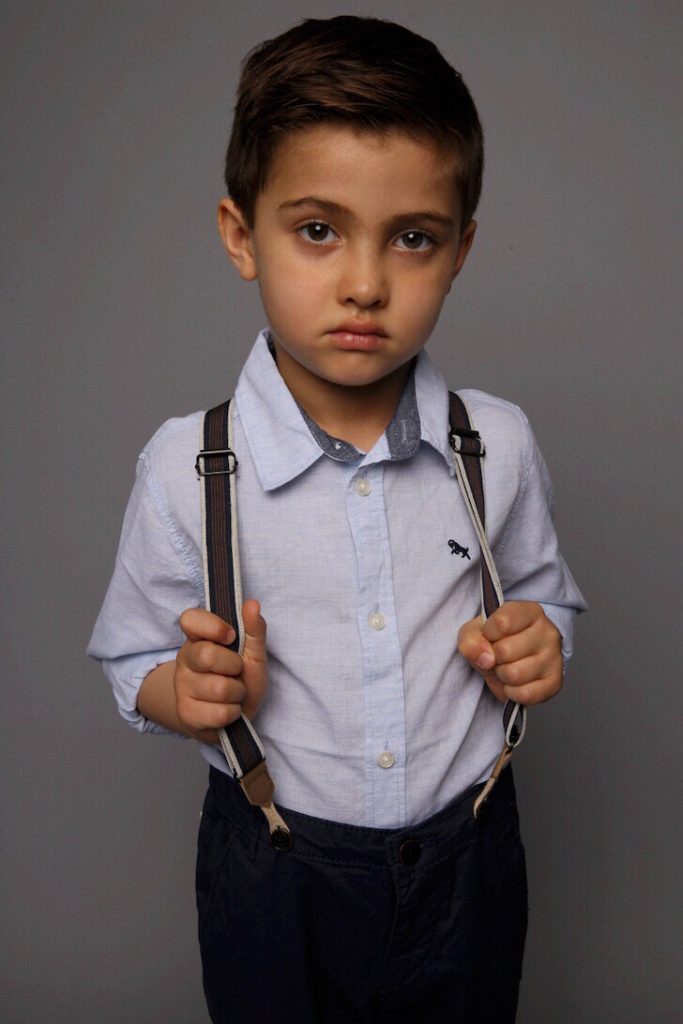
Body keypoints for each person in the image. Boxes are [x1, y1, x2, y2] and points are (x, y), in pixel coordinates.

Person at [88, 15, 586, 1022]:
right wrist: (185, 691)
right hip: (275, 870)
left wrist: (541, 644)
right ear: (242, 236)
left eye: (412, 238)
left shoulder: (494, 441)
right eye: (317, 230)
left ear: (459, 250)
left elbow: (544, 598)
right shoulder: (186, 465)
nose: (364, 283)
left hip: (467, 854)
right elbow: (130, 656)